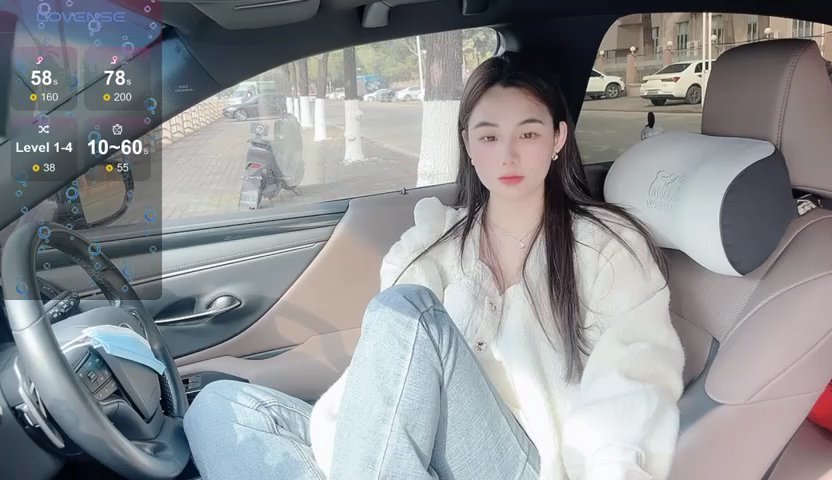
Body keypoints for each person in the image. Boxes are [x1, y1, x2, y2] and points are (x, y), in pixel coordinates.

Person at [183, 52, 685, 480]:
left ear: (557, 139)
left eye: (528, 134)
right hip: (414, 455)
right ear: (467, 144)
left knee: (407, 310)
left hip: (523, 463)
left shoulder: (604, 247)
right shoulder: (435, 244)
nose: (508, 155)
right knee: (218, 409)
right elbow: (387, 373)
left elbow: (630, 386)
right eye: (489, 137)